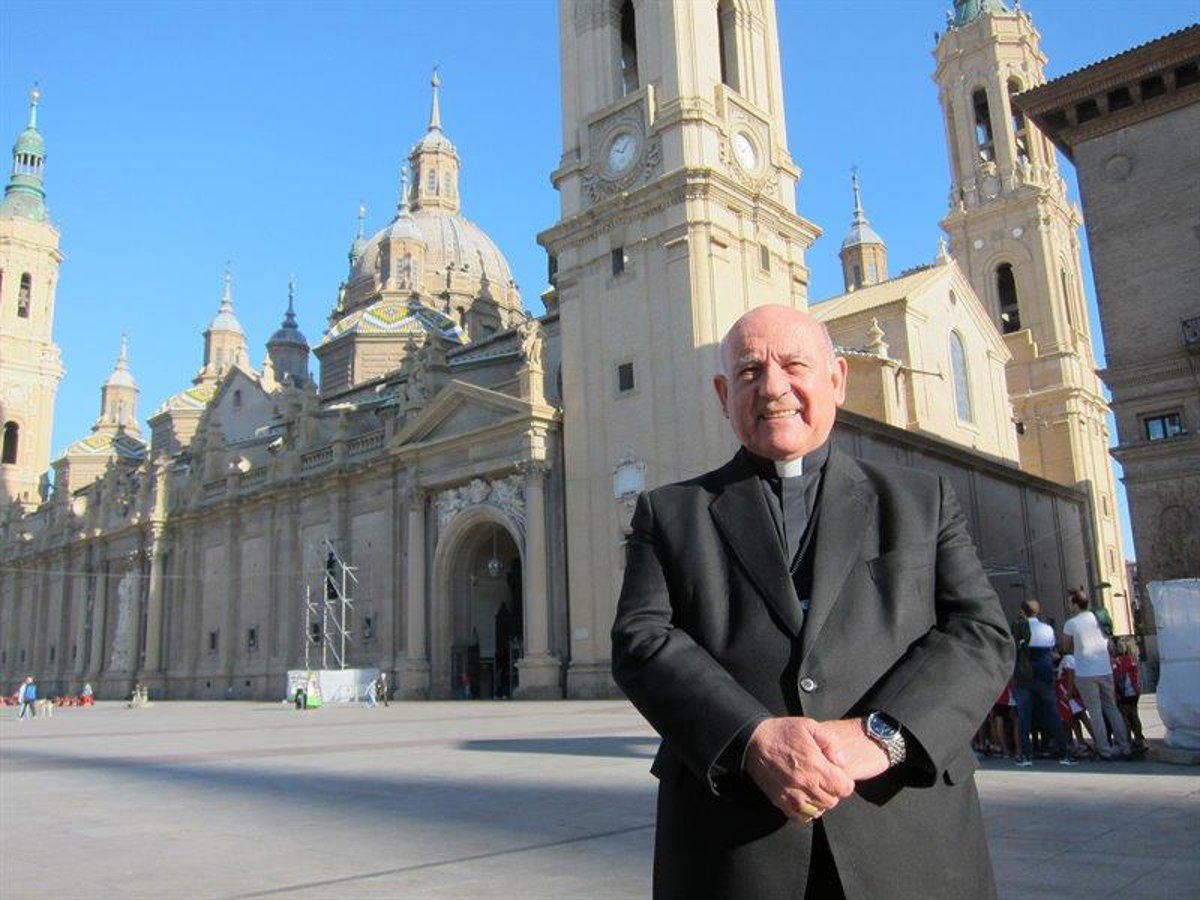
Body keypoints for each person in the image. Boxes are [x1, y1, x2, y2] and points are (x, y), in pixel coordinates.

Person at [612, 305, 1014, 900]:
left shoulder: (921, 500)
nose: (772, 387)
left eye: (794, 365)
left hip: (905, 833)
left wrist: (882, 734)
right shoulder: (668, 514)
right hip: (735, 844)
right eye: (750, 371)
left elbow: (980, 632)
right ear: (723, 395)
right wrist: (752, 738)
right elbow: (642, 639)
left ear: (837, 379)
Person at [1062, 590, 1131, 760]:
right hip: (1105, 669)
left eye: (1071, 602)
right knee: (1112, 708)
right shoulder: (1099, 618)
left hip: (1085, 672)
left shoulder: (1071, 623)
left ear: (1075, 604)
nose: (1069, 605)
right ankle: (1124, 746)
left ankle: (1104, 749)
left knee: (1095, 712)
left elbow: (1066, 647)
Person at [1011, 601, 1076, 767]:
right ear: (1038, 611)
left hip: (1024, 673)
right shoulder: (1047, 629)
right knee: (1052, 712)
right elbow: (1052, 650)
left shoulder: (1018, 629)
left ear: (1022, 611)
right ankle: (1064, 752)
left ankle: (1026, 755)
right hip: (1044, 672)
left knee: (1024, 715)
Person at [1112, 638, 1146, 752]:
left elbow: (1117, 678)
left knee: (1124, 717)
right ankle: (1139, 739)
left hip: (1123, 693)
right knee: (1135, 716)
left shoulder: (1118, 661)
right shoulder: (1133, 659)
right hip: (1134, 692)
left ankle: (1127, 741)